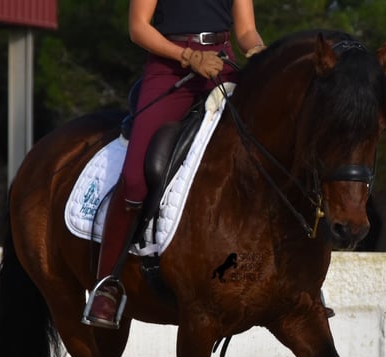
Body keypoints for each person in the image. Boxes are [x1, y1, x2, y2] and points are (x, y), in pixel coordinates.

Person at [82, 0, 266, 329]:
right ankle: (107, 283)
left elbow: (247, 30)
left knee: (270, 150)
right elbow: (138, 27)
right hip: (170, 70)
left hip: (221, 64)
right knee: (136, 178)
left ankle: (295, 280)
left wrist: (259, 51)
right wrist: (189, 56)